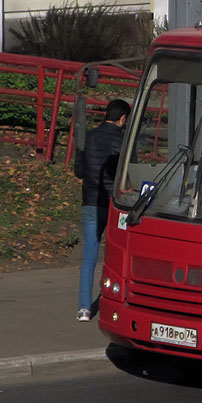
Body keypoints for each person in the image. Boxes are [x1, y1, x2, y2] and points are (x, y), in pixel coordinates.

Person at [73, 98, 129, 322]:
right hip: (115, 204)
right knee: (117, 254)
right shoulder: (124, 140)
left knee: (89, 256)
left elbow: (79, 171)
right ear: (123, 118)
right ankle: (118, 302)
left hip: (90, 201)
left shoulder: (88, 137)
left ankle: (84, 308)